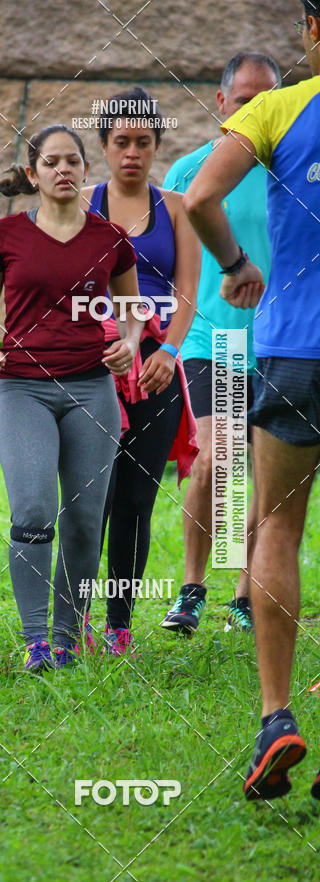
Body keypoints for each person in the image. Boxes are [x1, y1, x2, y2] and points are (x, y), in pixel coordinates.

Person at [184, 1, 320, 800]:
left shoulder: (275, 107)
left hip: (296, 350)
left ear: (310, 28)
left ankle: (277, 717)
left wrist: (236, 264)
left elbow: (201, 196)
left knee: (278, 524)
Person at [0, 124, 143, 670]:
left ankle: (66, 638)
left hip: (92, 388)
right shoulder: (5, 236)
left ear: (86, 171)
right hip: (23, 389)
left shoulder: (110, 239)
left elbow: (133, 309)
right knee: (35, 510)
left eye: (72, 161)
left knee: (87, 520)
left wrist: (129, 344)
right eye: (51, 163)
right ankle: (35, 639)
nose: (63, 170)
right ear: (33, 175)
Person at [160, 52, 281, 637]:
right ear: (221, 103)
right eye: (243, 100)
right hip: (212, 335)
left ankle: (242, 593)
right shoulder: (190, 172)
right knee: (218, 456)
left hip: (283, 340)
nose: (253, 109)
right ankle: (191, 587)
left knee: (269, 473)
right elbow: (169, 262)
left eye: (265, 99)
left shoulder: (294, 167)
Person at [81, 87, 200, 655]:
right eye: (121, 142)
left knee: (135, 499)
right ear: (103, 146)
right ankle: (73, 619)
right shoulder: (79, 203)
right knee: (89, 498)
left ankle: (119, 626)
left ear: (157, 145)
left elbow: (188, 293)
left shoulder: (176, 208)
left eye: (143, 142)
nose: (132, 152)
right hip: (91, 367)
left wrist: (168, 352)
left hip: (155, 368)